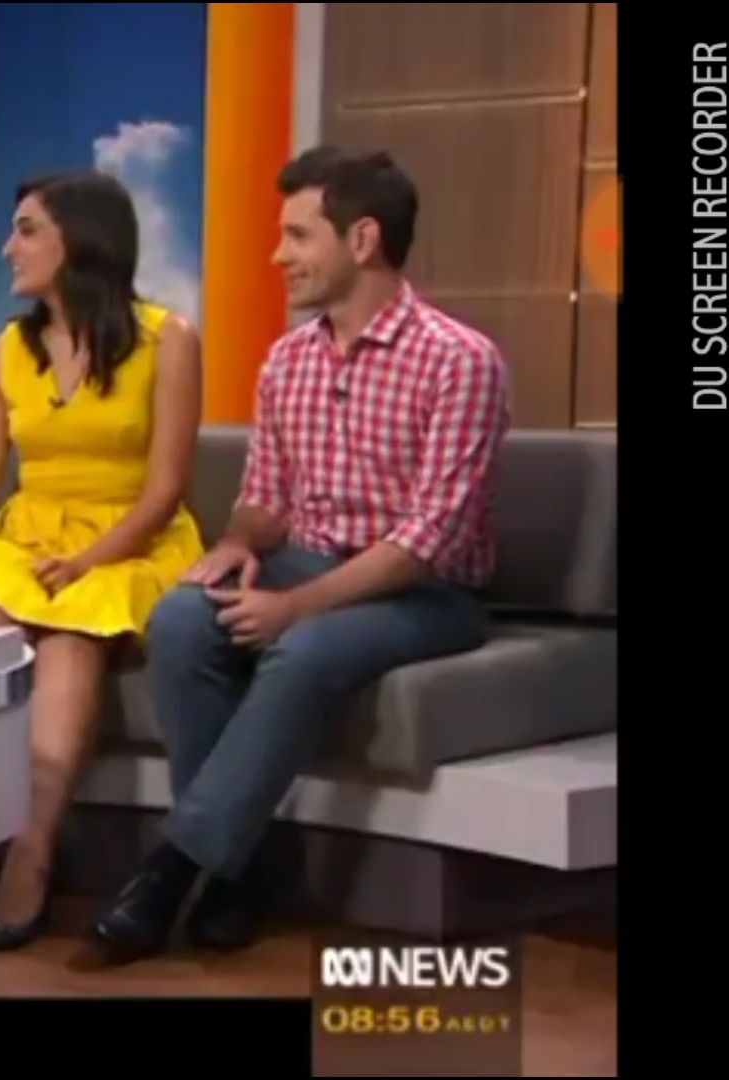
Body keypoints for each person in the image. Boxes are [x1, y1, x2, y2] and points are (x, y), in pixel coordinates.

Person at [82, 147, 510, 966]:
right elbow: (266, 498)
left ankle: (171, 871)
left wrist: (293, 608)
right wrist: (238, 544)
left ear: (363, 239)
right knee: (180, 620)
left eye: (298, 235)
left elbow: (428, 538)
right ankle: (237, 872)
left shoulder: (460, 361)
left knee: (303, 649)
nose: (278, 256)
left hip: (423, 595)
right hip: (302, 564)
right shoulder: (288, 360)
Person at [0, 171, 203, 951]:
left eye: (25, 230)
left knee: (72, 640)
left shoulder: (167, 340)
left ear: (79, 240)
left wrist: (88, 560)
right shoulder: (6, 354)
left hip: (129, 543)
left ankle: (32, 852)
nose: (7, 248)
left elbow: (165, 491)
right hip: (29, 541)